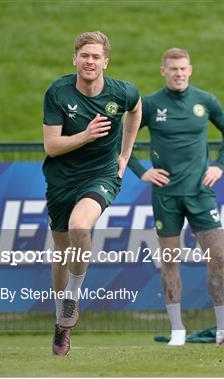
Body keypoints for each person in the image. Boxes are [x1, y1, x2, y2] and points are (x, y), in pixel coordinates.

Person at [136, 48, 224, 346]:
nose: (178, 73)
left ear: (191, 70)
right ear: (163, 70)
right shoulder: (150, 105)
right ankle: (178, 330)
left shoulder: (205, 100)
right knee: (170, 261)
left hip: (200, 194)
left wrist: (220, 165)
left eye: (183, 68)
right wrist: (141, 171)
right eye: (172, 69)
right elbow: (118, 139)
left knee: (217, 257)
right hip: (166, 196)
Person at [42, 31, 142, 356]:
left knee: (80, 227)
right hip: (61, 179)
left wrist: (125, 155)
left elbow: (136, 111)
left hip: (100, 176)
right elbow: (52, 146)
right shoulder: (58, 92)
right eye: (84, 56)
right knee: (61, 251)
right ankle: (61, 320)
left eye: (96, 57)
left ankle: (73, 296)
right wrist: (85, 136)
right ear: (75, 59)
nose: (90, 61)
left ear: (105, 62)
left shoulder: (122, 92)